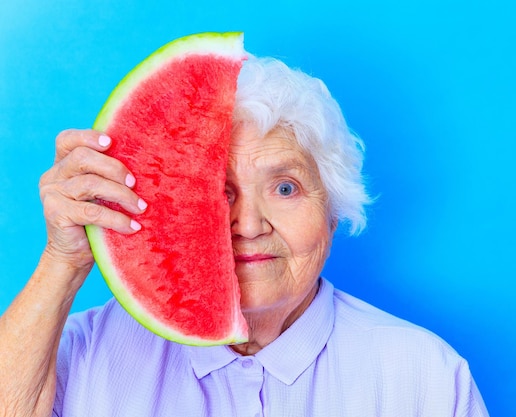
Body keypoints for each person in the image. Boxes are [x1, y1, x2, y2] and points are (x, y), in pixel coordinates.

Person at [0, 55, 489, 416]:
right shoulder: (79, 351)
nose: (249, 224)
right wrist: (63, 262)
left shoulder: (426, 376)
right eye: (218, 191)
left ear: (333, 211)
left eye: (285, 187)